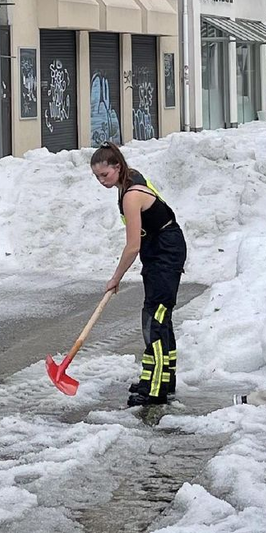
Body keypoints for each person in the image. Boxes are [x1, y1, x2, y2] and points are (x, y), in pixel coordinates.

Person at [90, 142, 187, 408]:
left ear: (117, 167)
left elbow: (132, 245)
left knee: (154, 318)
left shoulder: (131, 194)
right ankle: (163, 380)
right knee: (159, 316)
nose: (101, 181)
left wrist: (116, 277)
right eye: (97, 176)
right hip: (160, 247)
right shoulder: (128, 178)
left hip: (165, 250)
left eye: (105, 175)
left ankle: (155, 390)